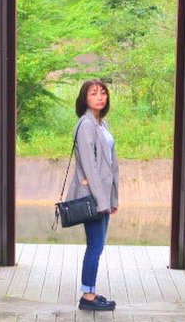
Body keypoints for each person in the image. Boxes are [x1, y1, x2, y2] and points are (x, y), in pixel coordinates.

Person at [66, 78, 119, 312]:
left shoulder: (102, 124)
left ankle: (90, 292)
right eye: (94, 93)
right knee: (95, 247)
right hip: (94, 197)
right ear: (84, 98)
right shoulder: (85, 124)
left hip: (104, 196)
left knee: (97, 246)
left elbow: (111, 165)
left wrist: (113, 199)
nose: (100, 97)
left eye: (103, 93)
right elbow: (89, 166)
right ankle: (88, 296)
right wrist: (102, 201)